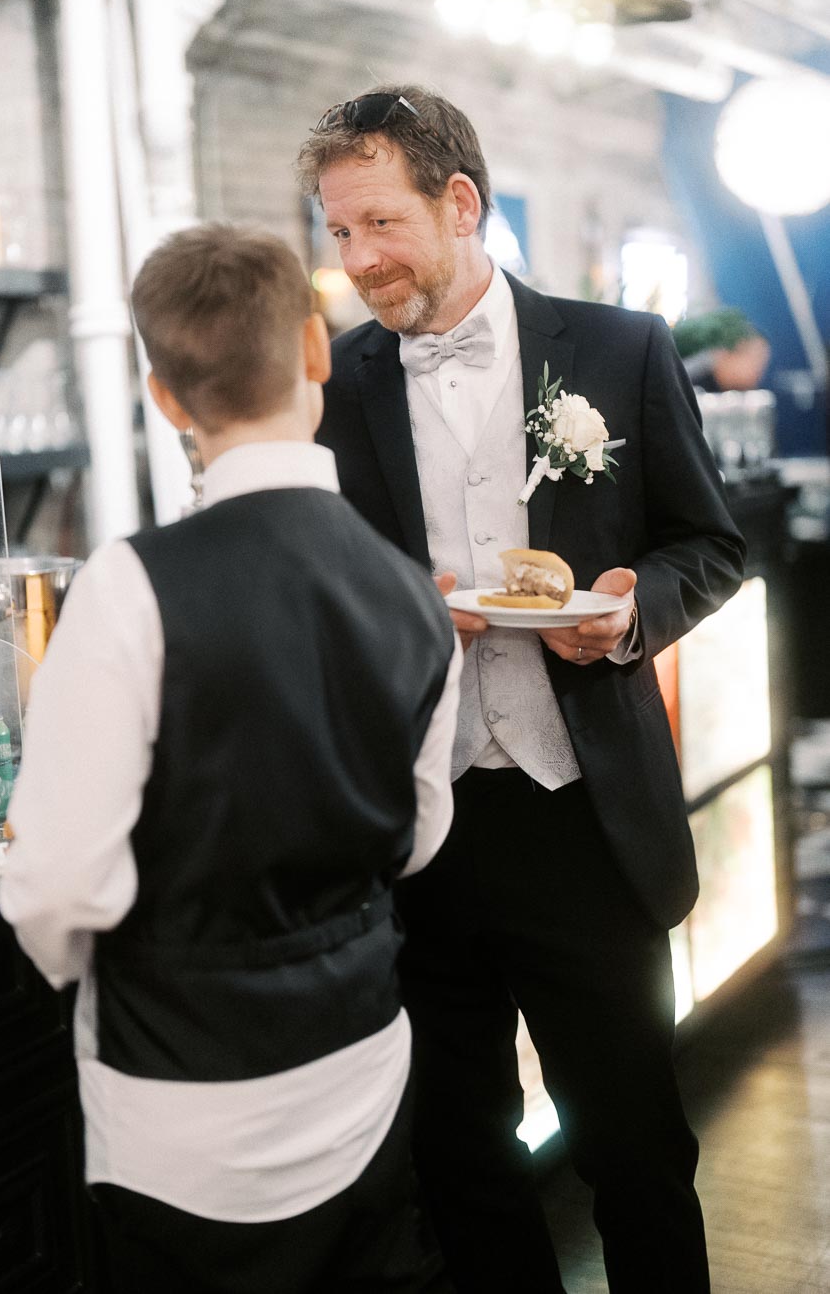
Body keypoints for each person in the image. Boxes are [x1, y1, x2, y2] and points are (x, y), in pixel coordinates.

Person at [297, 86, 747, 1294]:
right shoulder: (335, 387)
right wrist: (391, 609)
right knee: (461, 1163)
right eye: (338, 233)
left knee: (639, 1152)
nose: (360, 260)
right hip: (422, 826)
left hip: (582, 816)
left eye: (379, 224)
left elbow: (712, 544)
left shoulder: (620, 350)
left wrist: (628, 610)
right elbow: (324, 590)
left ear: (461, 203)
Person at [0, 223, 463, 1294]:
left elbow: (60, 882)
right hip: (361, 1064)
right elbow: (420, 835)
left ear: (165, 402)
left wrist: (122, 969)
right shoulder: (412, 592)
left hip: (183, 1092)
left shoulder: (129, 586)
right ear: (314, 350)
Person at [673, 307, 771, 392]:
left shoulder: (753, 400)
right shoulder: (689, 392)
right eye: (753, 359)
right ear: (724, 354)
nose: (758, 371)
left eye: (762, 362)